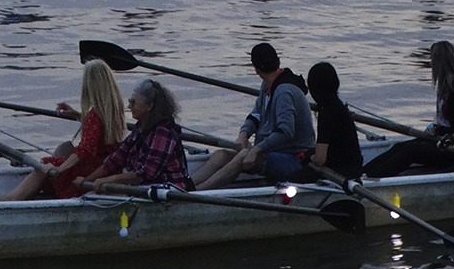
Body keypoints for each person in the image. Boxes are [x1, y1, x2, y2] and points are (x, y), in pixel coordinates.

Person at [0, 60, 128, 201]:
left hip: (92, 170)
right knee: (63, 150)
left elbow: (86, 150)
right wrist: (77, 115)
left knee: (44, 165)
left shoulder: (95, 115)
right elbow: (99, 129)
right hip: (108, 166)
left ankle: (5, 200)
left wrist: (60, 169)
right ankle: (34, 190)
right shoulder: (113, 109)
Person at [191, 43, 316, 189]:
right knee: (221, 155)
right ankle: (185, 185)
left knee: (244, 155)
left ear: (256, 69)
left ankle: (195, 193)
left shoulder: (284, 92)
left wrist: (257, 149)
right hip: (270, 152)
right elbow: (257, 114)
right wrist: (244, 134)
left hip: (295, 160)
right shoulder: (267, 85)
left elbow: (286, 132)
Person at [363, 41, 454, 178]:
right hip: (441, 137)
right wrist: (435, 126)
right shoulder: (445, 84)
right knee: (399, 147)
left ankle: (371, 178)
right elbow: (444, 117)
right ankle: (361, 172)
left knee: (410, 151)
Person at [78, 78, 190, 192]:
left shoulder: (163, 132)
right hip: (146, 186)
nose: (129, 106)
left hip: (169, 187)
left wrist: (108, 180)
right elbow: (115, 159)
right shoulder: (141, 127)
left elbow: (145, 173)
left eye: (133, 102)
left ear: (149, 106)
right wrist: (87, 180)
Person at [306, 61, 364, 181]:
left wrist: (310, 158)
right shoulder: (338, 105)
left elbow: (320, 159)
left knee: (295, 175)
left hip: (343, 173)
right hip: (352, 165)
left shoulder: (326, 112)